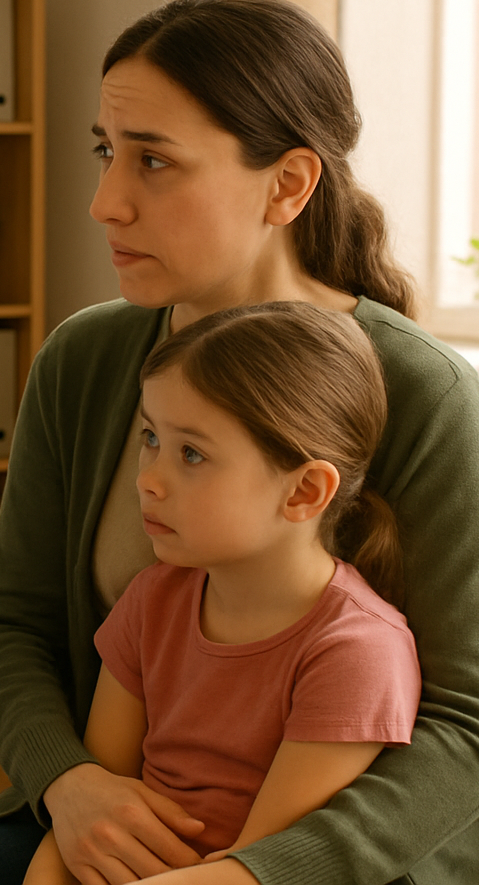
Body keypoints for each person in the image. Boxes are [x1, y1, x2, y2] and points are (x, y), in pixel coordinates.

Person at [0, 0, 479, 885]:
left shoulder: (423, 389)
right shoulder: (84, 359)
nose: (105, 202)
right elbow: (9, 625)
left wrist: (256, 873)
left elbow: (473, 728)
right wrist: (71, 784)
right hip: (104, 823)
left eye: (154, 162)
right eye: (106, 152)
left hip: (336, 861)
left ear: (288, 184)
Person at [21, 302, 421, 885]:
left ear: (305, 491)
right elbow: (90, 812)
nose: (147, 479)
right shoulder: (151, 601)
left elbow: (263, 867)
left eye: (191, 454)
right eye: (150, 439)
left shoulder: (357, 650)